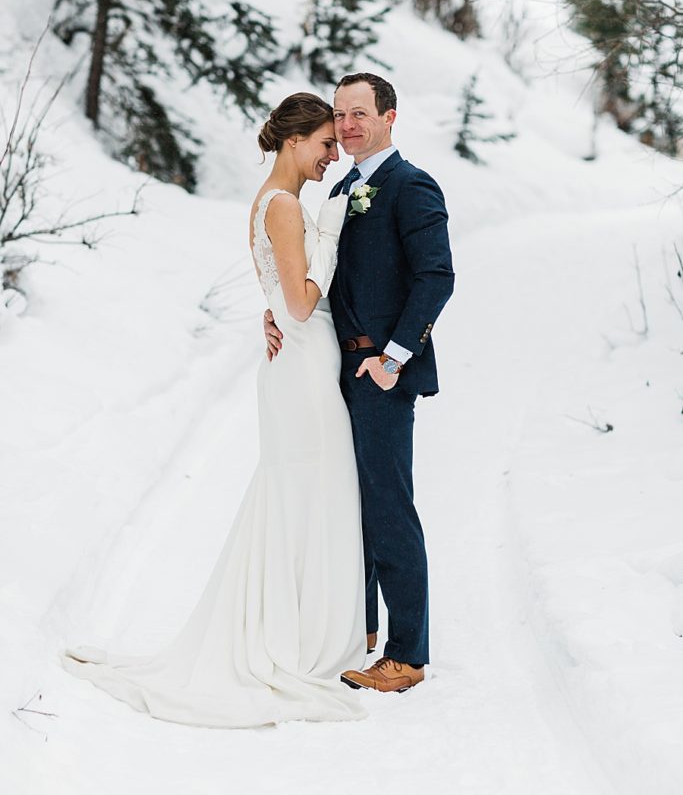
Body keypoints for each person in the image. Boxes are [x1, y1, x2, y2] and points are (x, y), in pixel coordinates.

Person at [62, 93, 368, 727]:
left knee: (303, 495)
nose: (332, 154)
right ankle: (296, 637)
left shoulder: (271, 202)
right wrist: (331, 239)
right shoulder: (284, 206)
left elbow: (281, 297)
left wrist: (280, 304)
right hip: (304, 372)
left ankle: (299, 623)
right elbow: (303, 303)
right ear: (293, 142)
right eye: (324, 144)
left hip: (299, 366)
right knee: (310, 493)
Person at [265, 72, 454, 694]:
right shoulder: (340, 188)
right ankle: (361, 630)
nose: (346, 126)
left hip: (381, 372)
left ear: (389, 116)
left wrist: (393, 357)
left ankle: (407, 654)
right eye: (339, 116)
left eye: (358, 114)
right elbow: (322, 277)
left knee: (389, 504)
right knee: (351, 503)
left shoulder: (410, 186)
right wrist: (279, 312)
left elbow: (436, 278)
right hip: (332, 368)